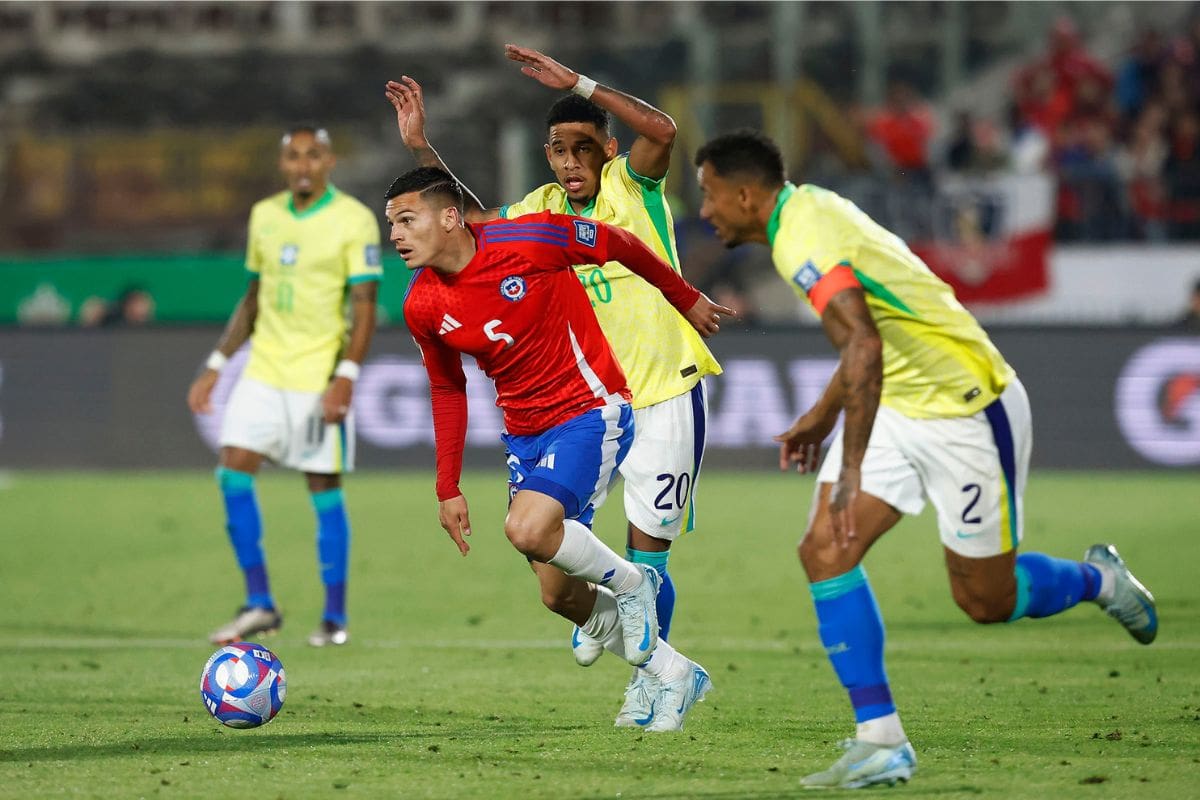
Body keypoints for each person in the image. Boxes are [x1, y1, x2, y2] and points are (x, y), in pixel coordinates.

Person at [693, 130, 1158, 789]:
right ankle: (881, 741)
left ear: (745, 195)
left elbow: (864, 346)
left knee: (986, 599)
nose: (704, 210)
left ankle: (1098, 580)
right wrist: (822, 416)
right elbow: (870, 342)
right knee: (825, 549)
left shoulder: (802, 236)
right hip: (896, 403)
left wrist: (851, 465)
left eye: (709, 194)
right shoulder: (806, 211)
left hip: (967, 408)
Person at [386, 44, 723, 728]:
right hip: (557, 408)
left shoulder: (633, 185)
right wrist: (422, 147)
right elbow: (465, 222)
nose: (570, 163)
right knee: (556, 587)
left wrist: (580, 83)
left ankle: (647, 678)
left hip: (656, 387)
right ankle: (658, 660)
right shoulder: (535, 213)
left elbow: (663, 131)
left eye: (583, 148)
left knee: (645, 556)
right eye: (558, 151)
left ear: (608, 149)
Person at [187, 125, 382, 648]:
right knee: (232, 471)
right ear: (283, 164)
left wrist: (346, 377)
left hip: (318, 376)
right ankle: (259, 604)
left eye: (312, 156)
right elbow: (253, 297)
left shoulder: (353, 219)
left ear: (329, 162)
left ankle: (334, 617)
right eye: (294, 156)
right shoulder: (265, 216)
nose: (303, 165)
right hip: (264, 371)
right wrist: (217, 362)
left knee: (323, 489)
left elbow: (365, 307)